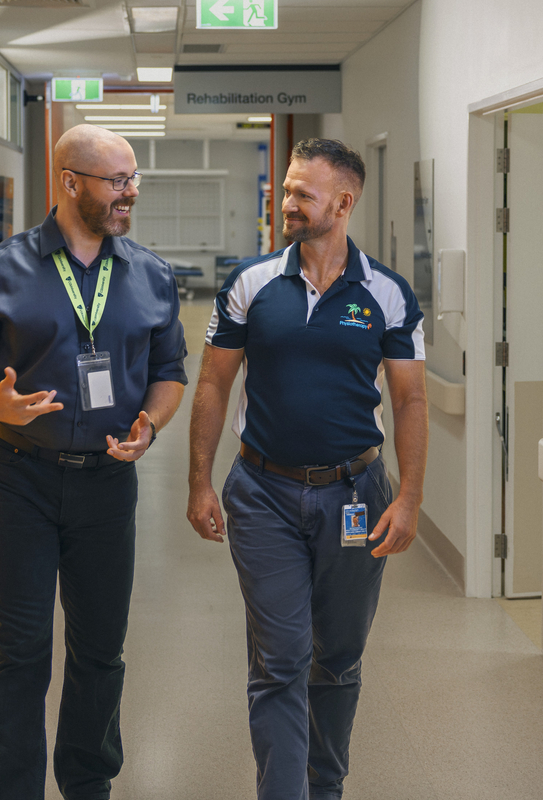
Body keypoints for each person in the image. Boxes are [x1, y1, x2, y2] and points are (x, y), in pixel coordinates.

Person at [0, 124, 188, 800]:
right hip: (20, 480)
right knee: (19, 654)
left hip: (108, 484)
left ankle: (88, 784)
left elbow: (170, 372)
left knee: (100, 652)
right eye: (117, 181)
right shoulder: (3, 268)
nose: (130, 193)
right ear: (70, 182)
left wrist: (152, 425)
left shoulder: (151, 275)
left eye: (134, 179)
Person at [186, 138, 428, 800]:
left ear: (344, 203)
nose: (287, 202)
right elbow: (212, 384)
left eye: (302, 193)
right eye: (287, 189)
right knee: (281, 657)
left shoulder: (388, 294)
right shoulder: (252, 284)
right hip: (262, 492)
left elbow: (409, 398)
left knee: (339, 659)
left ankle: (327, 787)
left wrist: (407, 498)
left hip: (355, 494)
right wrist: (200, 481)